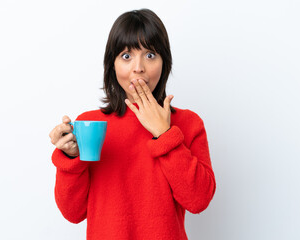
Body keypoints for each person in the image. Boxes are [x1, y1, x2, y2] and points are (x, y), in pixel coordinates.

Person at [49, 8, 216, 240]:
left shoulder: (188, 123)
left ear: (164, 62)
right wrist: (69, 158)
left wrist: (164, 134)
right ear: (112, 65)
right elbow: (73, 212)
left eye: (150, 55)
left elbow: (198, 200)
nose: (138, 67)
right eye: (126, 56)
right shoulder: (91, 124)